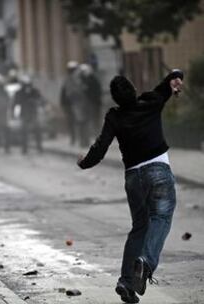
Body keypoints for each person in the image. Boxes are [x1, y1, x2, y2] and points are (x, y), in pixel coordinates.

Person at [77, 69, 184, 303]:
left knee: (139, 227)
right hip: (158, 170)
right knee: (162, 217)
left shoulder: (114, 116)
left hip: (133, 177)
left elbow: (100, 147)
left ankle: (126, 282)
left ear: (115, 98)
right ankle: (146, 261)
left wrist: (84, 163)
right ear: (134, 90)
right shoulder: (151, 101)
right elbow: (170, 79)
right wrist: (176, 76)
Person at [14, 75, 44, 154]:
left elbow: (40, 100)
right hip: (24, 114)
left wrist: (34, 101)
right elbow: (16, 102)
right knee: (24, 132)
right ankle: (24, 148)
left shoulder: (34, 91)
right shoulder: (19, 92)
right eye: (25, 85)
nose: (27, 87)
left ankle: (39, 147)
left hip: (33, 113)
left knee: (37, 130)